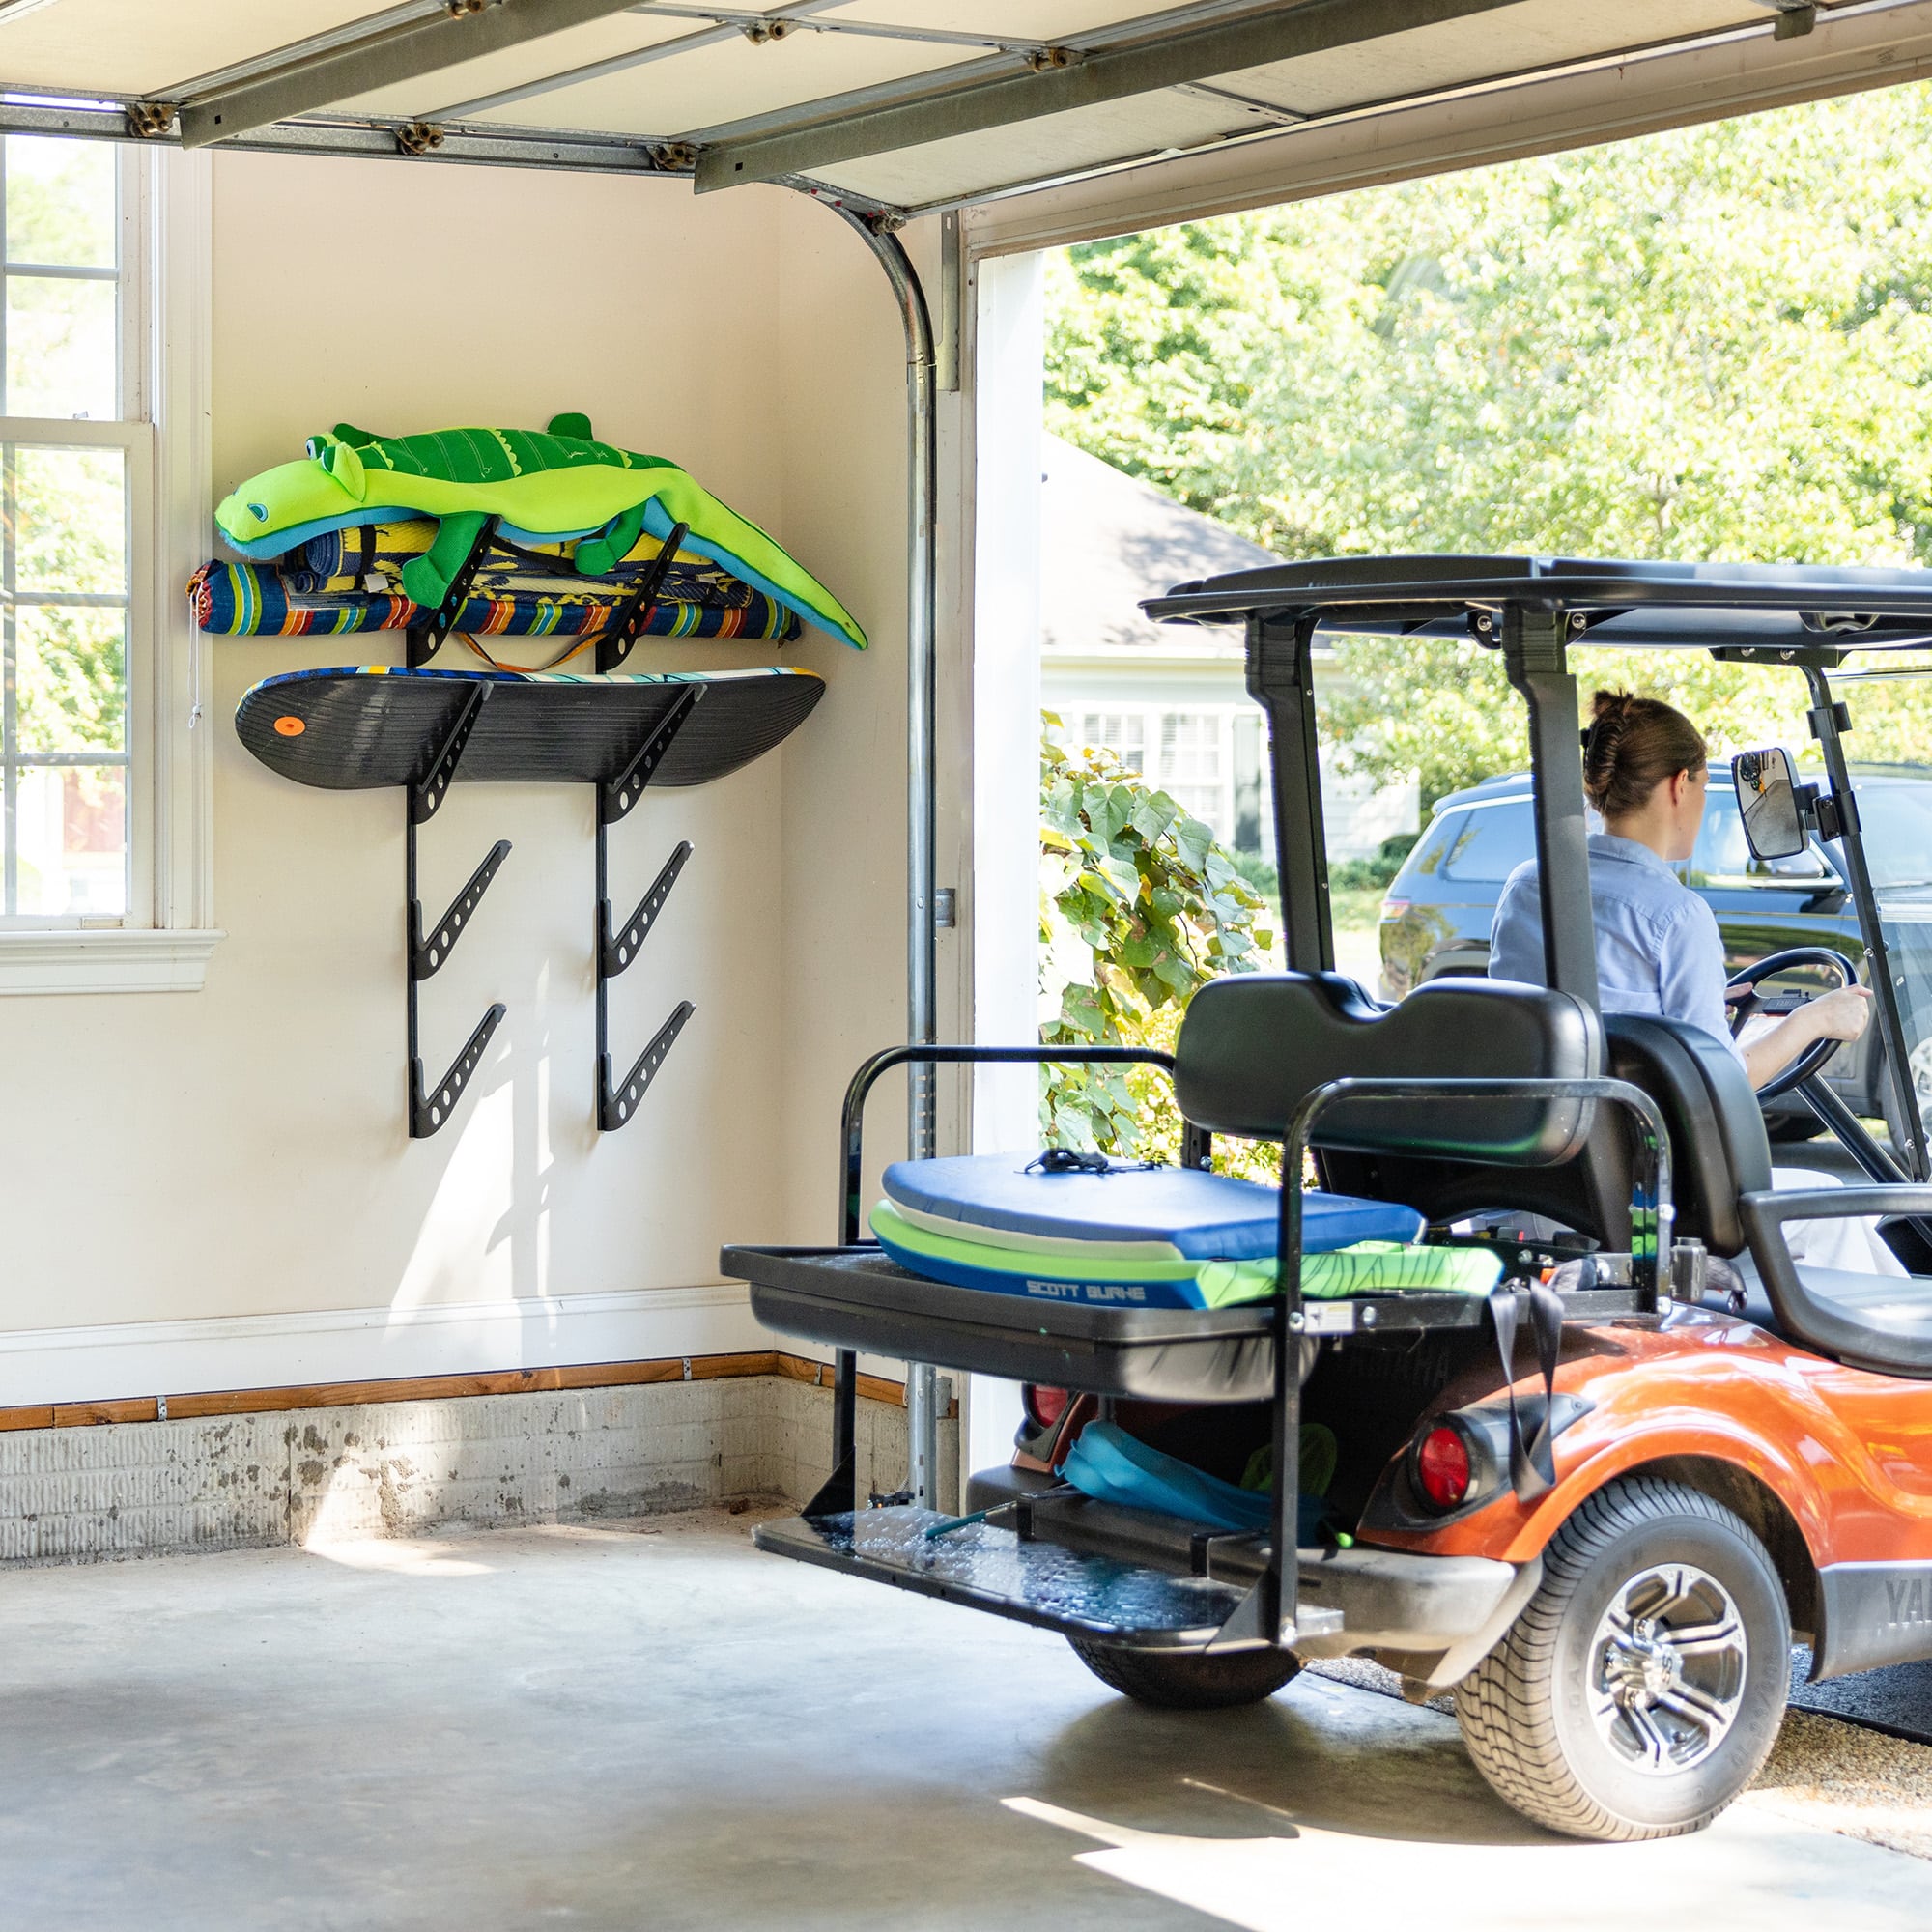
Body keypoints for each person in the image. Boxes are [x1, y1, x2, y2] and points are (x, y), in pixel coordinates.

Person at [1490, 689, 1898, 1277]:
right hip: (1646, 1184)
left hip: (1549, 1172)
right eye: (1704, 785)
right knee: (1834, 1206)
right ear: (1680, 785)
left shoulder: (1527, 887)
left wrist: (1711, 1004)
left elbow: (1580, 1007)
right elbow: (1717, 1086)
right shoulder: (1676, 915)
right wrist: (1813, 1021)